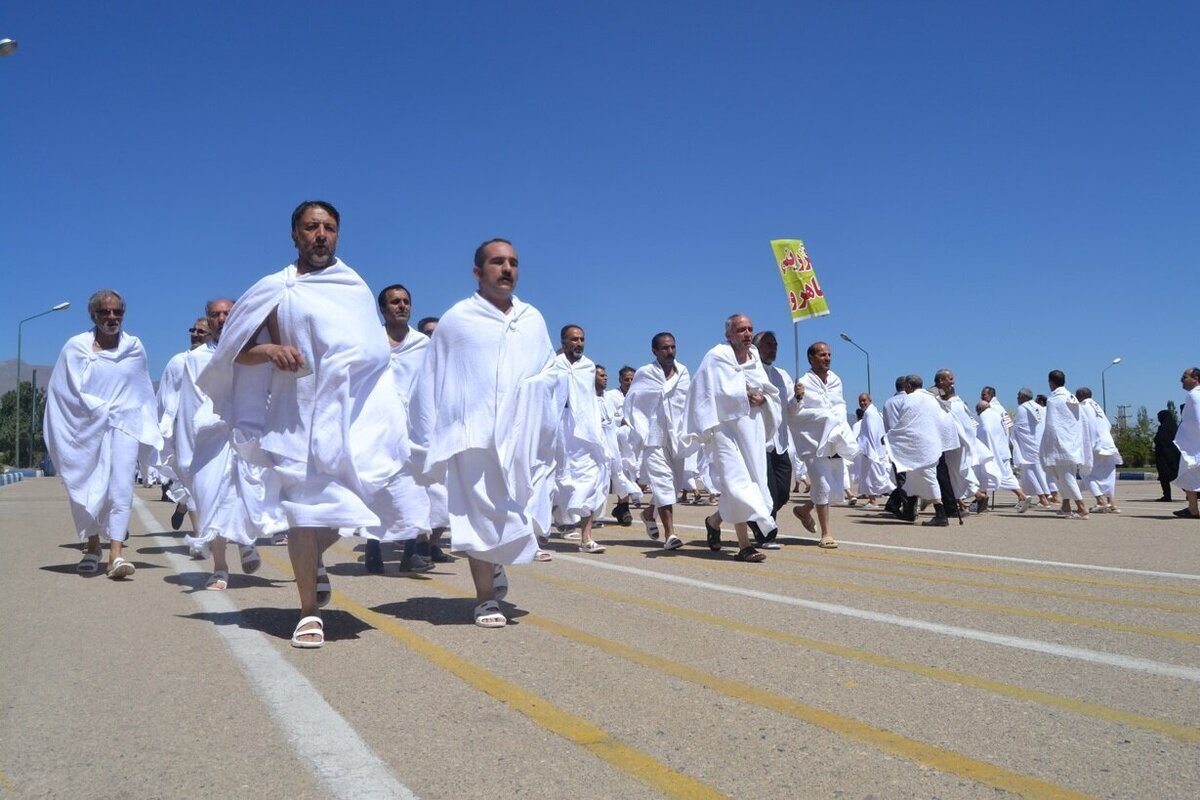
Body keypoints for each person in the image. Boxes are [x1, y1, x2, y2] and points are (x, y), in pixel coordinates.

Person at [199, 201, 417, 648]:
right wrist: (270, 352)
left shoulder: (353, 285)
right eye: (311, 227)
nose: (321, 234)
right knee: (302, 513)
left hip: (351, 417)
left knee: (350, 505)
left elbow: (373, 352)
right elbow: (233, 351)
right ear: (295, 235)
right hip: (294, 415)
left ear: (338, 234)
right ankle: (308, 611)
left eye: (329, 227)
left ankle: (312, 559)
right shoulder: (274, 289)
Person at [409, 238, 558, 627]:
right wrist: (426, 439)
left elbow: (550, 372)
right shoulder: (458, 320)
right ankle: (484, 599)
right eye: (497, 262)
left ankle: (494, 563)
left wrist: (538, 401)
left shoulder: (533, 320)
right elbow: (432, 379)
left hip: (522, 437)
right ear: (478, 272)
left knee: (518, 510)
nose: (506, 269)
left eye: (512, 262)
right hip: (471, 433)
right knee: (477, 515)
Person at [44, 289, 163, 578]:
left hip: (124, 427)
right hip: (86, 430)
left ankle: (116, 555)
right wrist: (97, 410)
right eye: (105, 312)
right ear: (93, 315)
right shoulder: (76, 348)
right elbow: (63, 391)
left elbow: (142, 390)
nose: (112, 317)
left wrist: (147, 425)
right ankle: (93, 546)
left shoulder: (134, 347)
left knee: (121, 488)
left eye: (117, 312)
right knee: (88, 485)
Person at [176, 298, 275, 589]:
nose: (221, 318)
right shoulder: (195, 360)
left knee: (248, 490)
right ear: (208, 321)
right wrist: (186, 451)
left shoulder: (254, 353)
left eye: (227, 313)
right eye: (216, 314)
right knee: (212, 498)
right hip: (211, 437)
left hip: (248, 434)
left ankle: (247, 542)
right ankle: (220, 568)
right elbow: (189, 405)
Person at [688, 314, 779, 561]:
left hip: (751, 429)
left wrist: (764, 400)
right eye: (741, 330)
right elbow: (703, 391)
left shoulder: (755, 359)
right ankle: (744, 546)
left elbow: (768, 390)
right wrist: (741, 395)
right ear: (728, 335)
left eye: (750, 329)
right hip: (723, 430)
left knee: (746, 480)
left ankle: (713, 521)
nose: (747, 334)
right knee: (736, 480)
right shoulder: (716, 357)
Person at [363, 284, 437, 575]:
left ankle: (411, 552)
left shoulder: (423, 344)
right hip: (376, 426)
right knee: (375, 487)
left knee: (414, 488)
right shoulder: (369, 340)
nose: (402, 306)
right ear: (383, 309)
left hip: (413, 428)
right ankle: (372, 548)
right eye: (395, 302)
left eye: (406, 301)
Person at [625, 332, 695, 550]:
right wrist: (639, 429)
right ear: (654, 351)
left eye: (673, 347)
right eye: (665, 348)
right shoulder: (646, 373)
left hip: (676, 437)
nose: (670, 351)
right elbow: (633, 402)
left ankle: (648, 513)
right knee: (664, 483)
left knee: (672, 488)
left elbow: (688, 402)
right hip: (653, 437)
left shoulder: (683, 372)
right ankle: (670, 534)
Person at [787, 341, 856, 547]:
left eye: (829, 354)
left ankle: (803, 510)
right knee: (823, 485)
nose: (827, 358)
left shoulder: (836, 380)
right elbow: (793, 412)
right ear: (811, 358)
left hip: (834, 439)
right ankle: (826, 534)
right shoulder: (803, 381)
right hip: (812, 441)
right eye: (822, 355)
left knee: (834, 488)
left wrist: (838, 421)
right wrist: (797, 398)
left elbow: (840, 404)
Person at [551, 325, 608, 554]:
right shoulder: (552, 364)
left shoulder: (588, 367)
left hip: (584, 433)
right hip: (556, 432)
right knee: (551, 482)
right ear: (563, 342)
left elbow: (590, 402)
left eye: (582, 339)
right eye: (574, 339)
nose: (579, 343)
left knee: (590, 480)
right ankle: (537, 534)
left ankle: (586, 538)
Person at [155, 316, 209, 540]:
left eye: (201, 332)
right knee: (191, 478)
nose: (195, 334)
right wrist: (160, 430)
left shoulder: (221, 360)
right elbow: (163, 397)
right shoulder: (178, 362)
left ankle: (184, 507)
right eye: (193, 330)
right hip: (183, 434)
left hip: (211, 431)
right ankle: (200, 533)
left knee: (209, 481)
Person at [882, 375, 947, 524]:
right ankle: (909, 511)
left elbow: (905, 425)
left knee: (928, 479)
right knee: (912, 480)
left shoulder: (910, 400)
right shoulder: (933, 399)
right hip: (930, 446)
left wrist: (889, 438)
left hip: (918, 448)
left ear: (909, 386)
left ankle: (941, 515)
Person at [752, 331, 794, 525]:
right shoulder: (749, 371)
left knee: (783, 492)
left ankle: (754, 516)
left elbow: (790, 408)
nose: (773, 348)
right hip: (760, 441)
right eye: (768, 344)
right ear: (756, 347)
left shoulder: (782, 375)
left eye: (775, 344)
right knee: (769, 490)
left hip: (781, 442)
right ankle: (767, 532)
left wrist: (799, 397)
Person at [1039, 370, 1091, 519]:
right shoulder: (1071, 397)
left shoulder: (1053, 400)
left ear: (1051, 382)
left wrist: (1048, 445)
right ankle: (1066, 506)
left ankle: (1081, 507)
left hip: (1059, 445)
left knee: (1066, 478)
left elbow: (1052, 425)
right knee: (1065, 478)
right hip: (1072, 443)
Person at [597, 365, 639, 525]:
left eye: (632, 379)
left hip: (633, 441)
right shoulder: (612, 396)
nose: (629, 382)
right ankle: (622, 508)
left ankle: (622, 507)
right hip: (615, 441)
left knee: (631, 473)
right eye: (626, 379)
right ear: (620, 380)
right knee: (617, 474)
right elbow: (609, 417)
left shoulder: (639, 395)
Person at [974, 399, 1032, 511]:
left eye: (977, 411)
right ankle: (1022, 496)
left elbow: (984, 432)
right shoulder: (998, 414)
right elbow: (1007, 429)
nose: (978, 414)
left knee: (984, 474)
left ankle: (982, 502)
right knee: (1006, 476)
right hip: (1003, 451)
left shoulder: (984, 416)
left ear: (980, 409)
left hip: (992, 452)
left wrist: (983, 447)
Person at [1075, 387, 1123, 513]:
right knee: (1108, 474)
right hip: (1108, 443)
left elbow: (1085, 426)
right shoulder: (1097, 407)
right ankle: (1111, 503)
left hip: (1096, 444)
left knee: (1086, 473)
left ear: (1080, 396)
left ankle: (1100, 501)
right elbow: (1108, 425)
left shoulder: (1082, 406)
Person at [1012, 388, 1053, 509]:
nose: (1017, 398)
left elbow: (1020, 428)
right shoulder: (1040, 408)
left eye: (1019, 396)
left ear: (1024, 397)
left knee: (1029, 471)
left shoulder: (1022, 408)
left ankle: (1042, 498)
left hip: (1028, 446)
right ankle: (1043, 496)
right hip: (1040, 445)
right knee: (1039, 473)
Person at [854, 393, 895, 506]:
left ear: (870, 400)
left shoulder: (870, 414)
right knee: (871, 477)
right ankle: (873, 499)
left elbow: (871, 434)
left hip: (871, 450)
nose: (862, 403)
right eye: (860, 401)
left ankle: (873, 501)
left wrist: (870, 450)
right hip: (873, 449)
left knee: (873, 477)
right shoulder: (874, 413)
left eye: (864, 400)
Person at [1172, 368, 1200, 519]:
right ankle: (1192, 508)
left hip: (1194, 445)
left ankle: (1193, 508)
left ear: (1195, 378)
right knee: (1189, 475)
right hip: (1192, 443)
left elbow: (1198, 419)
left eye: (1184, 377)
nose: (1181, 380)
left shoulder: (1194, 395)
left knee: (1189, 473)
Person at [1154, 409, 1181, 501]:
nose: (1158, 419)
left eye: (1159, 417)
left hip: (1164, 456)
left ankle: (1167, 496)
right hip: (1175, 455)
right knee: (1178, 475)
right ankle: (1192, 494)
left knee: (1164, 476)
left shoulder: (1163, 428)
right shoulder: (1175, 427)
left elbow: (1159, 439)